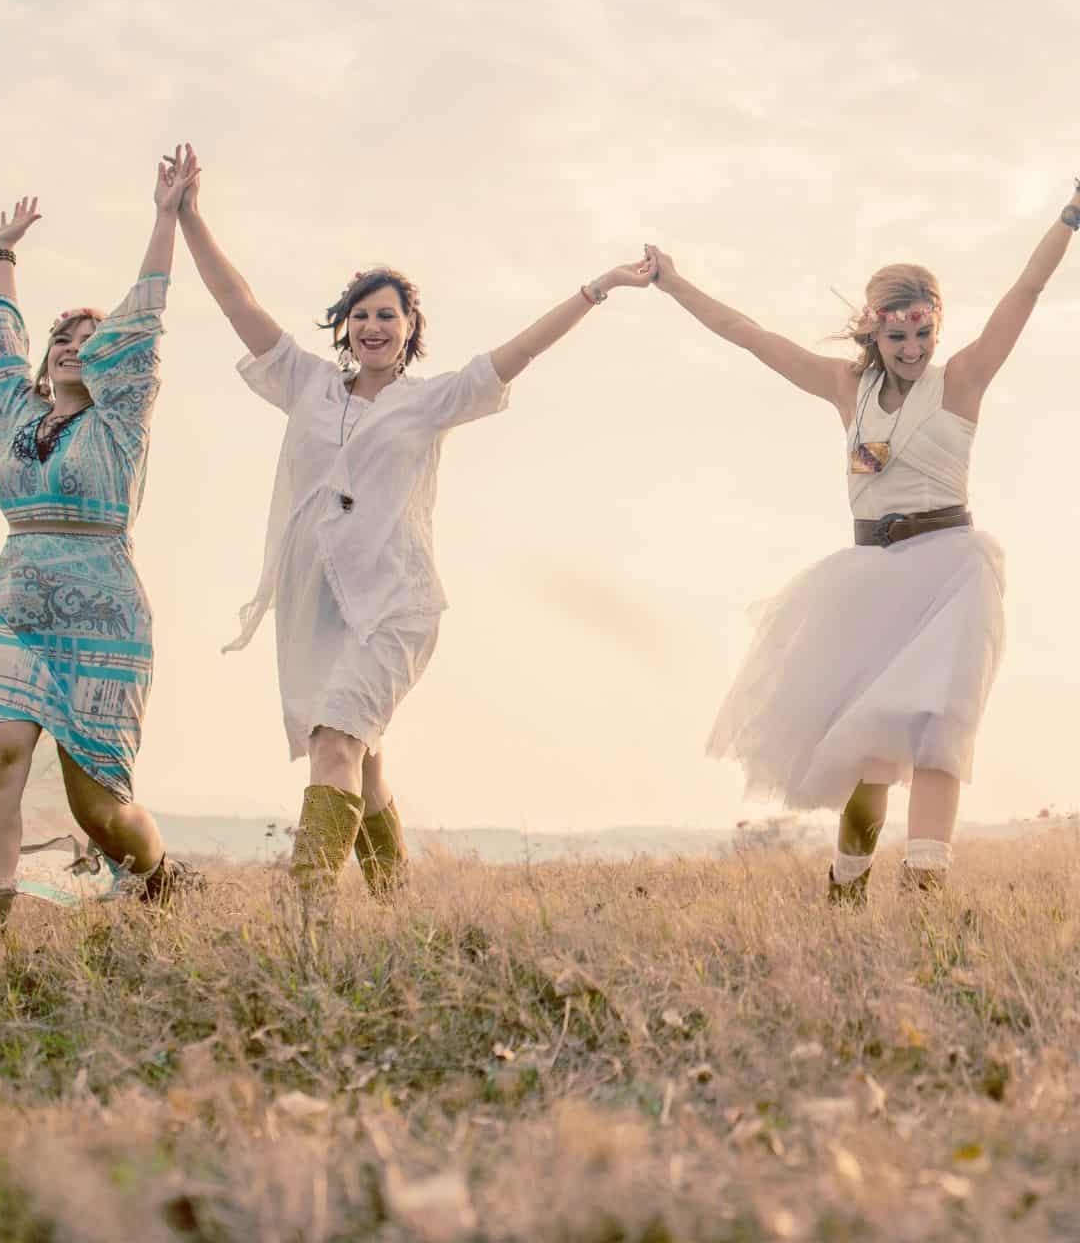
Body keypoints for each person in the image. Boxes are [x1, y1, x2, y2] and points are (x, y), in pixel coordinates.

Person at [169, 142, 653, 910]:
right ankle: (399, 908)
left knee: (335, 744)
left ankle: (307, 920)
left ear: (409, 326)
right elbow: (239, 304)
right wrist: (189, 219)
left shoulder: (431, 401)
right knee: (362, 762)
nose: (371, 326)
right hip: (315, 606)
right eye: (359, 315)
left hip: (393, 604)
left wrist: (596, 288)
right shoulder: (306, 384)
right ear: (344, 327)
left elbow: (519, 351)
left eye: (386, 315)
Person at [646, 178, 1080, 901]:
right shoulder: (848, 390)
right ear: (873, 332)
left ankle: (925, 884)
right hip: (871, 572)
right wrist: (676, 283)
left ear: (936, 329)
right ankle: (847, 882)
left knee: (942, 724)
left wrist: (1069, 216)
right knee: (870, 750)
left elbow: (1027, 291)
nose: (911, 348)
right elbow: (749, 335)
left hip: (951, 568)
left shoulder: (964, 378)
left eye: (921, 334)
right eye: (896, 335)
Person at [0, 161, 200, 933]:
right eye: (64, 336)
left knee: (101, 809)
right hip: (12, 606)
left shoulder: (121, 418)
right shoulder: (10, 412)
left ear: (113, 363)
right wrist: (2, 253)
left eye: (93, 341)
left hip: (104, 617)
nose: (74, 348)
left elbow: (147, 314)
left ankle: (160, 879)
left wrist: (165, 218)